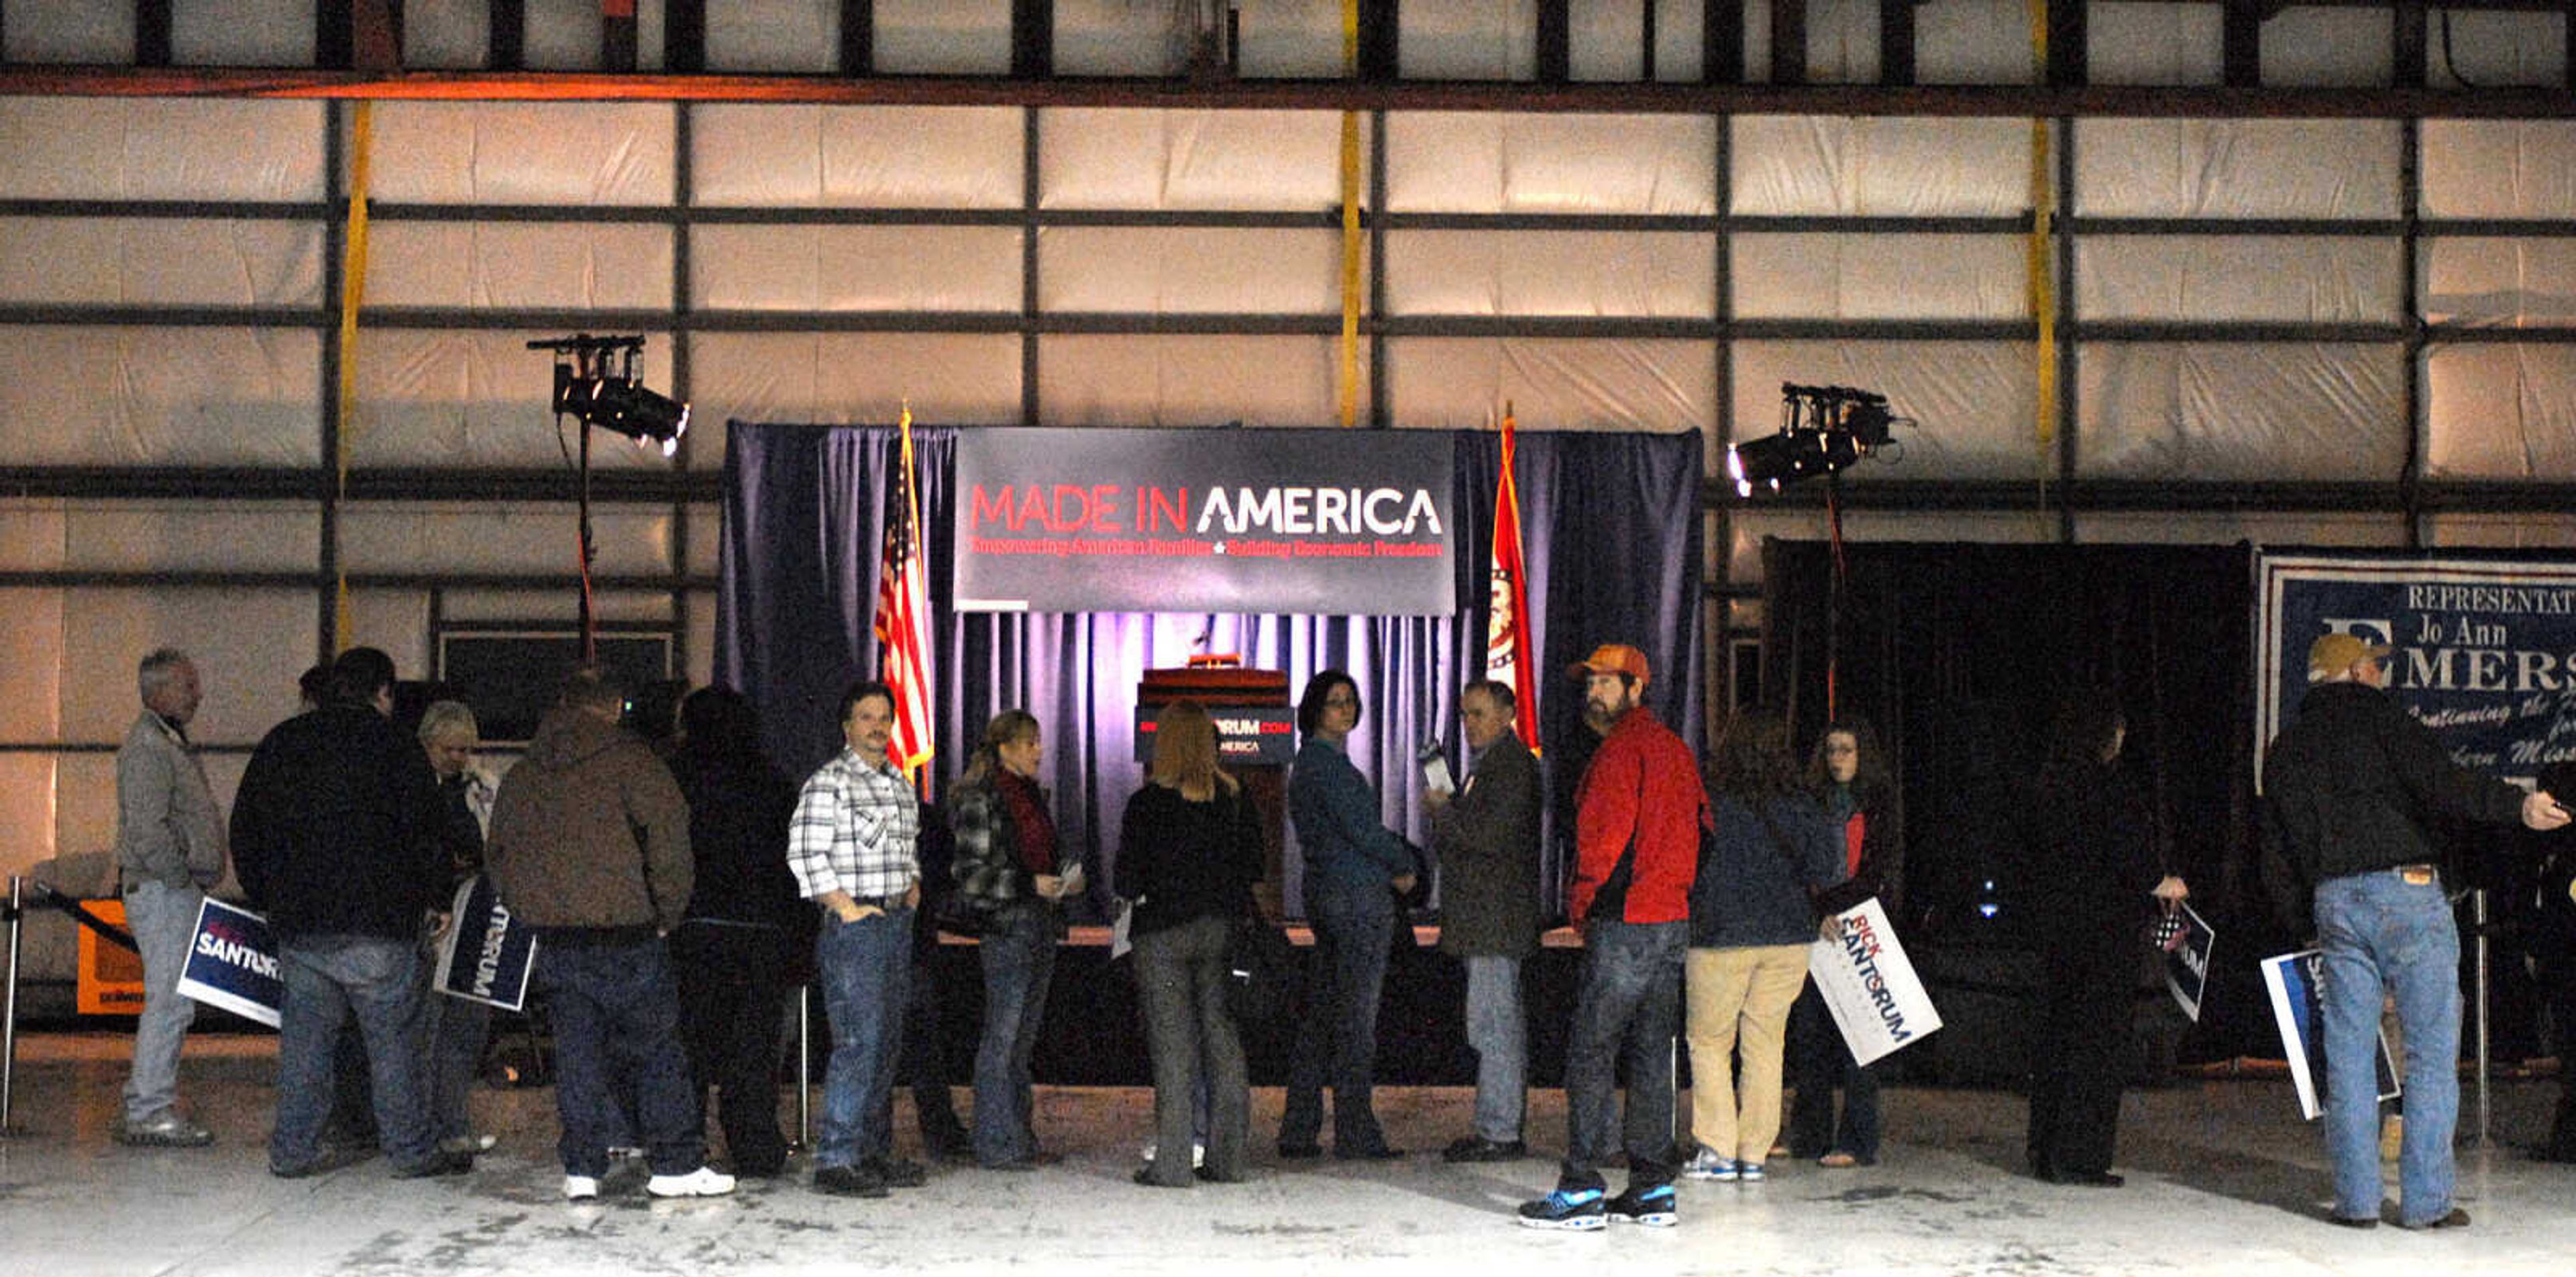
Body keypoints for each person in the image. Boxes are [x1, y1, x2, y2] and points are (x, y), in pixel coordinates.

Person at [2263, 633, 2568, 1228]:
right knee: (2430, 1047)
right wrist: (2520, 808)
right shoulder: (2382, 720)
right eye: (2376, 665)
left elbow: (2276, 850)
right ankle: (2425, 1202)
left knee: (2349, 1054)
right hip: (2406, 893)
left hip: (2334, 902)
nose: (2382, 675)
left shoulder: (2285, 748)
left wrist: (2304, 921)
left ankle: (2355, 1203)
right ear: (2353, 670)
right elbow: (2445, 782)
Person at [485, 669, 735, 1201]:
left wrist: (528, 910)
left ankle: (582, 1168)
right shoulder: (633, 762)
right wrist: (668, 911)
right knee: (657, 1050)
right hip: (629, 933)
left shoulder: (524, 772)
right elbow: (670, 841)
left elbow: (500, 856)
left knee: (578, 1055)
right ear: (616, 707)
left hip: (556, 937)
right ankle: (675, 1164)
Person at [230, 647, 470, 1180]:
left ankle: (293, 1151)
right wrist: (436, 897)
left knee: (306, 1043)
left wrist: (269, 896)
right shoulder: (397, 748)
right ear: (383, 692)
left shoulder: (283, 742)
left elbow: (245, 829)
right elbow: (427, 833)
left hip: (301, 926)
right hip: (378, 925)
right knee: (392, 1042)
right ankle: (409, 1150)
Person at [1520, 644, 1704, 1231]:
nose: (1593, 692)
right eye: (1590, 681)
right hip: (1669, 920)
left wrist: (1581, 909)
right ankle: (1652, 1187)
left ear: (1636, 688)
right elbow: (1707, 828)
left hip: (1625, 922)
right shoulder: (1675, 749)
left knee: (1593, 1051)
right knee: (1653, 1053)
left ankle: (1581, 1188)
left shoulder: (1620, 752)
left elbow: (1601, 844)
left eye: (1605, 682)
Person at [2023, 694, 2188, 1189]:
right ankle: (2080, 1155)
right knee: (2097, 1042)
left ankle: (2045, 1148)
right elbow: (2130, 856)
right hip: (2104, 932)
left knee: (2056, 1036)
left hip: (2056, 929)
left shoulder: (2047, 786)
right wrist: (2164, 882)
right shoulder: (2112, 790)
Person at [1682, 715, 1843, 1185]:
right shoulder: (1804, 805)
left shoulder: (1711, 802)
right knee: (1765, 1042)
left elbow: (1691, 862)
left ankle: (1716, 1148)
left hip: (1720, 934)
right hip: (1791, 937)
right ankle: (1753, 1151)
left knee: (1711, 1041)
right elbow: (1828, 867)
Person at [789, 680, 930, 1199]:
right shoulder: (829, 783)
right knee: (858, 1042)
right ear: (847, 726)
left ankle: (872, 1151)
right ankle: (837, 1158)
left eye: (884, 717)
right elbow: (804, 854)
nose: (878, 726)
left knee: (887, 1043)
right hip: (857, 928)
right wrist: (845, 908)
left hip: (895, 922)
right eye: (867, 717)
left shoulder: (898, 783)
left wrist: (911, 890)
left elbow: (908, 847)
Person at [1118, 700, 1263, 1188]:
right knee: (1224, 1045)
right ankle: (1228, 1160)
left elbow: (1125, 877)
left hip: (1162, 933)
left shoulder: (1147, 804)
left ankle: (1174, 1162)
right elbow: (1256, 868)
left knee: (1173, 1049)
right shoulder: (1235, 798)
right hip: (1221, 932)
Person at [665, 686, 802, 1180]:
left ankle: (683, 1144)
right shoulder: (772, 781)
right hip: (762, 930)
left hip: (695, 928)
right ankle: (755, 1145)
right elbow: (793, 863)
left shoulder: (676, 777)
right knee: (754, 1049)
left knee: (691, 1047)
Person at [1279, 670, 1415, 1161]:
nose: (1346, 709)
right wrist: (1405, 866)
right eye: (1336, 702)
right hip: (1356, 898)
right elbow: (1363, 831)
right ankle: (1355, 1131)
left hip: (1328, 894)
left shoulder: (1311, 764)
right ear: (1315, 709)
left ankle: (1300, 1127)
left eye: (1351, 701)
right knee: (1356, 1019)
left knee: (1323, 1015)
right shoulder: (1327, 767)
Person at [949, 709, 1082, 1170]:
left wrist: (1066, 879)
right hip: (1008, 927)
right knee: (1002, 1039)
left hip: (1040, 924)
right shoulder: (980, 797)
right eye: (1029, 742)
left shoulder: (1030, 795)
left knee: (1021, 1043)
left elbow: (1045, 854)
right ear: (1004, 747)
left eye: (1039, 741)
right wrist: (1030, 885)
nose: (1038, 750)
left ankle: (1018, 1138)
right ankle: (995, 1142)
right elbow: (971, 875)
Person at [111, 648, 227, 1147]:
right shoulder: (149, 747)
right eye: (188, 685)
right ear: (158, 690)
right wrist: (180, 878)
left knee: (173, 998)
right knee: (170, 999)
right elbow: (147, 828)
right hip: (164, 890)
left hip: (172, 889)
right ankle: (150, 1107)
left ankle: (147, 1094)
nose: (197, 694)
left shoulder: (167, 742)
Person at [1427, 678, 1543, 1163]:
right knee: (1492, 1024)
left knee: (1494, 1026)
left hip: (1495, 920)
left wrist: (1443, 811)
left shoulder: (1511, 767)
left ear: (1507, 713)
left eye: (1478, 713)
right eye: (1465, 715)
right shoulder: (1493, 766)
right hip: (1487, 918)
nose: (1469, 724)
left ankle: (1499, 1129)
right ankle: (1496, 1125)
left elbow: (1486, 836)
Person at [1786, 717, 1904, 1168]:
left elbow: (1878, 868)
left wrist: (1838, 908)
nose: (1838, 759)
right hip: (1819, 928)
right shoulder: (1812, 803)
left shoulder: (1877, 803)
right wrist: (1817, 911)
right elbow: (1801, 863)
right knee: (1810, 1034)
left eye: (1847, 750)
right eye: (1832, 749)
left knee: (1859, 1041)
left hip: (1859, 927)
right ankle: (1809, 1135)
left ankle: (1857, 1139)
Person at [418, 699, 499, 1156]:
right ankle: (428, 1125)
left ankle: (454, 1122)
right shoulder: (410, 787)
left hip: (475, 917)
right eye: (449, 749)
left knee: (467, 1029)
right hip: (430, 920)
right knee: (426, 1030)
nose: (458, 757)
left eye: (465, 749)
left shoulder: (484, 787)